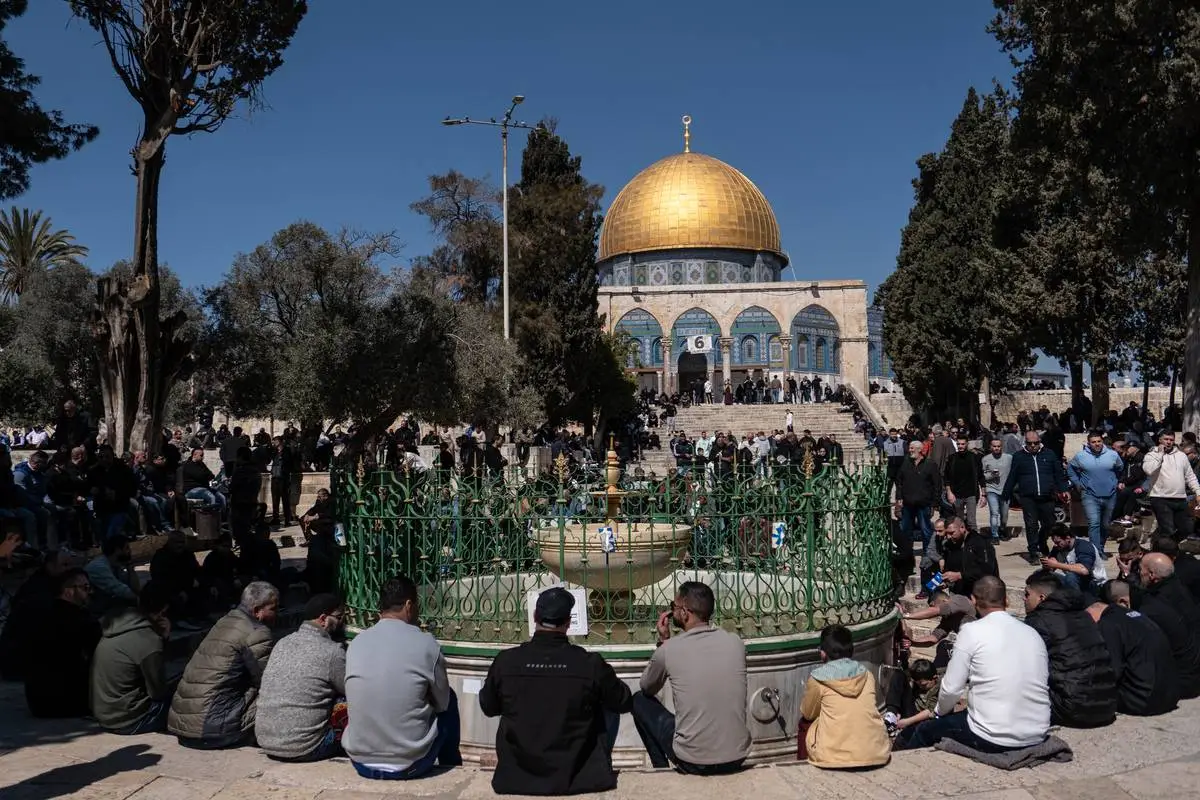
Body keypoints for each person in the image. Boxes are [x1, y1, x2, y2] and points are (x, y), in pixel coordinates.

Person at [480, 587, 632, 795]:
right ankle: (595, 762)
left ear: (535, 616)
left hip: (517, 778)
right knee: (607, 697)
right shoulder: (590, 664)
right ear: (568, 622)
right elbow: (623, 702)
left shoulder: (506, 662)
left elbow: (488, 707)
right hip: (579, 778)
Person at [900, 576, 1051, 752]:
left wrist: (939, 713)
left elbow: (951, 689)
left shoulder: (971, 631)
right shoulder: (1031, 633)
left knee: (923, 730)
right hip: (1037, 731)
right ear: (1007, 600)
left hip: (994, 736)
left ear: (973, 600)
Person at [343, 574, 462, 779]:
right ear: (409, 605)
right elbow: (442, 704)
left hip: (360, 761)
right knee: (449, 700)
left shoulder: (357, 643)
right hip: (410, 764)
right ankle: (452, 764)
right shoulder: (426, 644)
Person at [631, 581, 750, 775]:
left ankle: (661, 769)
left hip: (693, 761)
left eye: (674, 608)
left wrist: (663, 642)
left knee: (638, 700)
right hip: (736, 757)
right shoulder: (735, 643)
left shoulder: (669, 649)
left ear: (685, 613)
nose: (672, 612)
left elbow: (647, 687)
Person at [168, 581, 279, 749]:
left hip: (183, 726)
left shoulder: (225, 620)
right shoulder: (257, 632)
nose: (277, 614)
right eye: (274, 609)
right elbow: (267, 682)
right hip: (213, 729)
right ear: (257, 611)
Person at [257, 594, 348, 762]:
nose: (343, 622)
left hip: (266, 741)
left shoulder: (282, 643)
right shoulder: (332, 651)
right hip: (306, 747)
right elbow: (350, 690)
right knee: (347, 702)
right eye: (339, 617)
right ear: (323, 619)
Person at [1022, 571, 1117, 728]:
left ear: (1041, 598)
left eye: (1027, 594)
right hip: (1106, 705)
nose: (1024, 599)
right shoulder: (1083, 615)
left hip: (1071, 708)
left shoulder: (1039, 620)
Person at [799, 625, 890, 769]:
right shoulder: (867, 675)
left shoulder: (818, 680)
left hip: (832, 758)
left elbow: (808, 713)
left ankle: (802, 769)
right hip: (876, 752)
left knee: (804, 724)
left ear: (823, 653)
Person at [90, 581, 176, 734]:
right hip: (129, 720)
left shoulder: (118, 624)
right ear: (162, 612)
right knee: (184, 700)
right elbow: (157, 691)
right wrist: (163, 638)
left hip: (104, 714)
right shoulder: (148, 639)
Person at [1086, 581, 1179, 716]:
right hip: (1170, 695)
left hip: (1144, 701)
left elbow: (1113, 670)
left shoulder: (1107, 624)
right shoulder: (1134, 615)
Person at [24, 568, 102, 718]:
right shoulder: (80, 620)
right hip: (67, 702)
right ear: (69, 592)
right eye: (85, 587)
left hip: (38, 702)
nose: (90, 592)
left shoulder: (41, 614)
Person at [1132, 553, 1200, 697]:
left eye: (1140, 570)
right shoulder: (1180, 588)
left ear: (1151, 575)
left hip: (1180, 680)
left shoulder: (1154, 605)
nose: (1138, 573)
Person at [0, 548, 72, 681]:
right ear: (50, 566)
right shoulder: (38, 590)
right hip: (22, 659)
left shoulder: (51, 584)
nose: (68, 570)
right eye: (64, 565)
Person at [1002, 431, 1070, 563]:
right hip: (1028, 497)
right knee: (1031, 524)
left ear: (1040, 442)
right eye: (1029, 443)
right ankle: (1033, 551)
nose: (1033, 446)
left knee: (1049, 523)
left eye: (1035, 443)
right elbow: (1012, 476)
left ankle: (1041, 540)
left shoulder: (1049, 454)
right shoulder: (1019, 456)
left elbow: (1058, 474)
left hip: (1047, 495)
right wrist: (1006, 494)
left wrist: (1064, 489)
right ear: (1025, 443)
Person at [1068, 432, 1125, 555]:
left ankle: (1101, 547)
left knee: (1105, 525)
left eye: (1099, 441)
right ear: (1089, 443)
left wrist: (1116, 482)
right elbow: (1070, 469)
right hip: (1089, 495)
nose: (1097, 444)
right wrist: (1078, 483)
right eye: (1093, 442)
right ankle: (1096, 552)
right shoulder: (1080, 456)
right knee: (1094, 523)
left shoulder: (1113, 455)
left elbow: (1120, 468)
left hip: (1110, 494)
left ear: (1102, 441)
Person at [1141, 431, 1200, 540]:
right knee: (1168, 529)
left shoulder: (1181, 456)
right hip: (1160, 497)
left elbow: (1190, 476)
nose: (1168, 442)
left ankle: (1163, 543)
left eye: (1171, 440)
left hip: (1180, 498)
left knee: (1187, 528)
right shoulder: (1151, 455)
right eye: (1166, 439)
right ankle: (1167, 552)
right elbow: (1149, 470)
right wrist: (1160, 454)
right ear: (1160, 440)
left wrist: (1198, 492)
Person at [901, 589, 977, 669]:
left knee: (945, 648)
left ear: (944, 600)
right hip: (970, 648)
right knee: (943, 645)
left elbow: (936, 611)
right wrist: (913, 643)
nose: (932, 609)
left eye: (933, 605)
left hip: (982, 644)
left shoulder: (959, 600)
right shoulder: (947, 620)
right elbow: (933, 638)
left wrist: (907, 615)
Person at [894, 439, 941, 551]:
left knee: (926, 530)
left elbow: (937, 484)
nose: (909, 450)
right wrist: (899, 496)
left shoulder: (930, 464)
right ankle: (906, 552)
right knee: (905, 529)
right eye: (909, 448)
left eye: (912, 448)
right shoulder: (905, 463)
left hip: (923, 503)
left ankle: (928, 553)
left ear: (920, 450)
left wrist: (935, 503)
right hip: (908, 503)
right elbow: (899, 481)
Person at [938, 516, 998, 599]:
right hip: (960, 593)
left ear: (962, 528)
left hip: (982, 594)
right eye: (947, 533)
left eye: (952, 533)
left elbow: (987, 570)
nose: (948, 537)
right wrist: (946, 580)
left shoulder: (980, 543)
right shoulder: (950, 545)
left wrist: (960, 575)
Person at [1041, 523, 1107, 597]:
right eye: (1054, 542)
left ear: (1068, 538)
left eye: (1058, 542)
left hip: (1095, 585)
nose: (1055, 545)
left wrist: (1056, 564)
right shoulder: (1058, 548)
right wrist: (1047, 564)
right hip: (1075, 582)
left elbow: (1084, 570)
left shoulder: (1084, 546)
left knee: (1070, 577)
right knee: (1041, 575)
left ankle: (1076, 604)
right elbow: (1051, 568)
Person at [85, 535, 139, 616]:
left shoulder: (115, 565)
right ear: (117, 550)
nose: (130, 551)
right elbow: (123, 592)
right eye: (127, 548)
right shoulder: (99, 568)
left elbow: (134, 588)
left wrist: (130, 568)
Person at [944, 435, 985, 534]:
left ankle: (974, 541)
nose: (960, 446)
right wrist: (949, 492)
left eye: (962, 444)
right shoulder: (952, 458)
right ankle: (960, 543)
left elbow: (981, 476)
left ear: (967, 444)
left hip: (971, 493)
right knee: (958, 521)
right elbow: (946, 478)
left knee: (971, 521)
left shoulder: (974, 458)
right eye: (958, 444)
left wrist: (984, 495)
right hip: (956, 494)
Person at [981, 438, 1013, 542]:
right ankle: (994, 535)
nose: (996, 448)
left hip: (1005, 490)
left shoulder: (1009, 458)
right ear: (991, 447)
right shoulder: (985, 459)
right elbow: (982, 476)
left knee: (1004, 514)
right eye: (994, 446)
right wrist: (991, 475)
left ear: (1001, 447)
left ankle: (1002, 529)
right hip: (992, 489)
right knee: (994, 513)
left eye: (998, 446)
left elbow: (1014, 471)